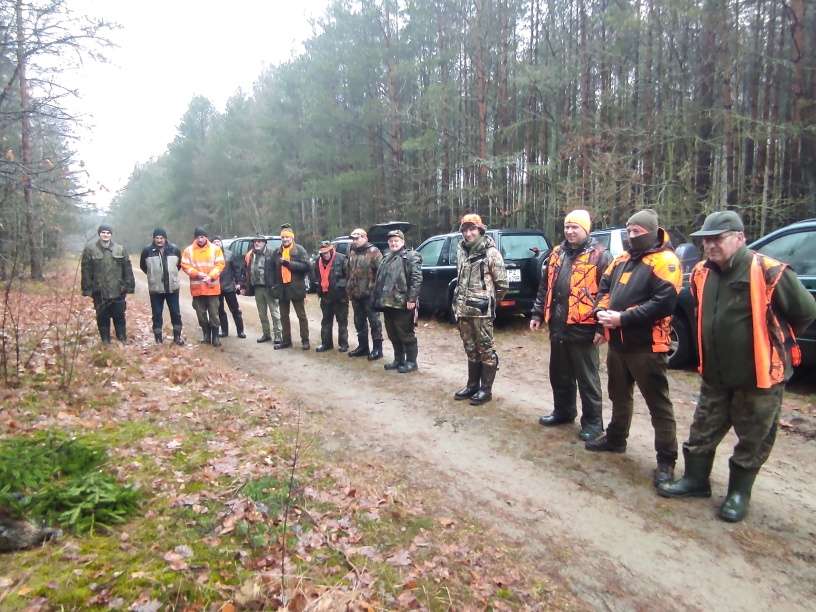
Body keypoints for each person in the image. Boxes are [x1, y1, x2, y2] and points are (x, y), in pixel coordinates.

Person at [658, 211, 816, 521]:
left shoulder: (769, 271)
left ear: (739, 238)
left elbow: (805, 311)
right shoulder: (702, 273)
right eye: (706, 240)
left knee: (753, 438)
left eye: (717, 239)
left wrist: (774, 338)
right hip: (715, 375)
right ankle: (695, 481)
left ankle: (738, 494)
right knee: (702, 430)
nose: (710, 246)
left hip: (759, 377)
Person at [587, 209, 683, 487]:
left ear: (651, 232)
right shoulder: (622, 259)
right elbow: (604, 288)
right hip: (618, 343)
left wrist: (623, 318)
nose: (631, 236)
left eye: (636, 232)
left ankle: (666, 460)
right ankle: (616, 438)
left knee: (658, 405)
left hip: (648, 346)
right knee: (618, 395)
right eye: (628, 231)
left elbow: (662, 304)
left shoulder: (666, 262)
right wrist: (601, 312)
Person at [530, 210, 612, 441]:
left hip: (584, 328)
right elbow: (545, 286)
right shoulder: (557, 253)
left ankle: (593, 423)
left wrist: (602, 327)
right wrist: (537, 313)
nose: (570, 231)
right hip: (558, 326)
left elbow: (608, 294)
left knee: (587, 379)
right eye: (567, 227)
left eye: (575, 227)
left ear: (586, 229)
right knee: (559, 374)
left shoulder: (601, 255)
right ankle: (564, 411)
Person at [452, 214, 508, 405]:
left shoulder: (491, 253)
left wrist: (489, 302)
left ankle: (486, 390)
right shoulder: (461, 251)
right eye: (465, 230)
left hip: (482, 312)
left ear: (480, 230)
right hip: (463, 310)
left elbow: (502, 285)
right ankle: (472, 385)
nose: (468, 234)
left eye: (472, 229)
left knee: (486, 349)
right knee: (470, 348)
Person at [372, 229, 423, 372]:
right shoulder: (386, 257)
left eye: (396, 241)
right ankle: (398, 360)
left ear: (403, 242)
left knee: (406, 333)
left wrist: (412, 299)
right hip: (387, 302)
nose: (393, 243)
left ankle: (411, 362)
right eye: (391, 241)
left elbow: (416, 279)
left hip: (402, 303)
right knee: (393, 333)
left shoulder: (410, 256)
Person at [81, 223, 135, 345]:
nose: (105, 235)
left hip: (118, 290)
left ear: (111, 235)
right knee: (102, 318)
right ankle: (105, 341)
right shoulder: (90, 250)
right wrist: (87, 289)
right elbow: (86, 270)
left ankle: (122, 339)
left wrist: (129, 286)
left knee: (119, 317)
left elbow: (127, 268)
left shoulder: (120, 249)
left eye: (108, 233)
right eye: (103, 232)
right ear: (99, 234)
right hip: (99, 291)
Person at [180, 227, 225, 347]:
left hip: (212, 288)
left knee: (214, 314)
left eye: (202, 237)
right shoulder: (188, 251)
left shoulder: (215, 249)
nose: (200, 239)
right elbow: (185, 265)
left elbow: (220, 264)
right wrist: (197, 274)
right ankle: (206, 336)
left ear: (206, 237)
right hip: (197, 289)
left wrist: (211, 276)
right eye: (198, 237)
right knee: (201, 314)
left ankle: (215, 337)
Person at [139, 227, 184, 345]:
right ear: (154, 238)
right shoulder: (147, 251)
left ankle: (177, 337)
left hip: (172, 288)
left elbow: (179, 265)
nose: (159, 240)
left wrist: (171, 275)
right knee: (157, 314)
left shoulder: (174, 249)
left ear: (165, 238)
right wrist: (153, 276)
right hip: (156, 289)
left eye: (161, 238)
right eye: (157, 238)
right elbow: (143, 266)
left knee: (175, 313)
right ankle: (158, 339)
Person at [270, 224, 311, 350]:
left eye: (287, 237)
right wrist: (272, 284)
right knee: (283, 317)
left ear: (292, 237)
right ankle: (286, 340)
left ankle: (305, 341)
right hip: (282, 289)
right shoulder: (277, 252)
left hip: (296, 288)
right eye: (283, 237)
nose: (285, 239)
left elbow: (306, 266)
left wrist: (289, 264)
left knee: (301, 316)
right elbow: (270, 269)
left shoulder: (300, 250)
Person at [346, 228, 384, 360]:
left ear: (365, 238)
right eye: (353, 239)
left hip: (370, 295)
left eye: (357, 238)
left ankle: (378, 349)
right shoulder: (352, 253)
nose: (355, 241)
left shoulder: (374, 252)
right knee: (359, 322)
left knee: (374, 322)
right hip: (356, 294)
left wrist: (376, 291)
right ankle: (363, 347)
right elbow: (348, 272)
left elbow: (381, 273)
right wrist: (349, 288)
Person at [243, 235, 282, 345]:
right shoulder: (251, 255)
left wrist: (275, 285)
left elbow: (277, 270)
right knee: (262, 313)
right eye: (255, 241)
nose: (256, 243)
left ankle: (278, 335)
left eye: (259, 241)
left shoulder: (272, 253)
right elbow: (247, 270)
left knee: (275, 312)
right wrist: (245, 285)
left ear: (264, 242)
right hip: (257, 287)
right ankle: (266, 334)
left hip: (270, 287)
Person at [311, 240, 349, 352]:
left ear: (331, 250)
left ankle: (343, 344)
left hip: (340, 296)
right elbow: (316, 275)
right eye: (323, 253)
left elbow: (348, 276)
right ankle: (326, 343)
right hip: (325, 295)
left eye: (327, 252)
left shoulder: (342, 259)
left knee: (342, 321)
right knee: (326, 321)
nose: (325, 255)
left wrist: (340, 286)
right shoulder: (318, 261)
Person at [212, 236, 245, 339]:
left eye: (218, 242)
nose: (216, 244)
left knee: (235, 309)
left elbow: (236, 269)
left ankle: (240, 331)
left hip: (229, 286)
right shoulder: (209, 256)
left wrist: (238, 282)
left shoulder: (229, 254)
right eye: (214, 242)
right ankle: (224, 331)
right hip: (215, 287)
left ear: (221, 243)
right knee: (220, 310)